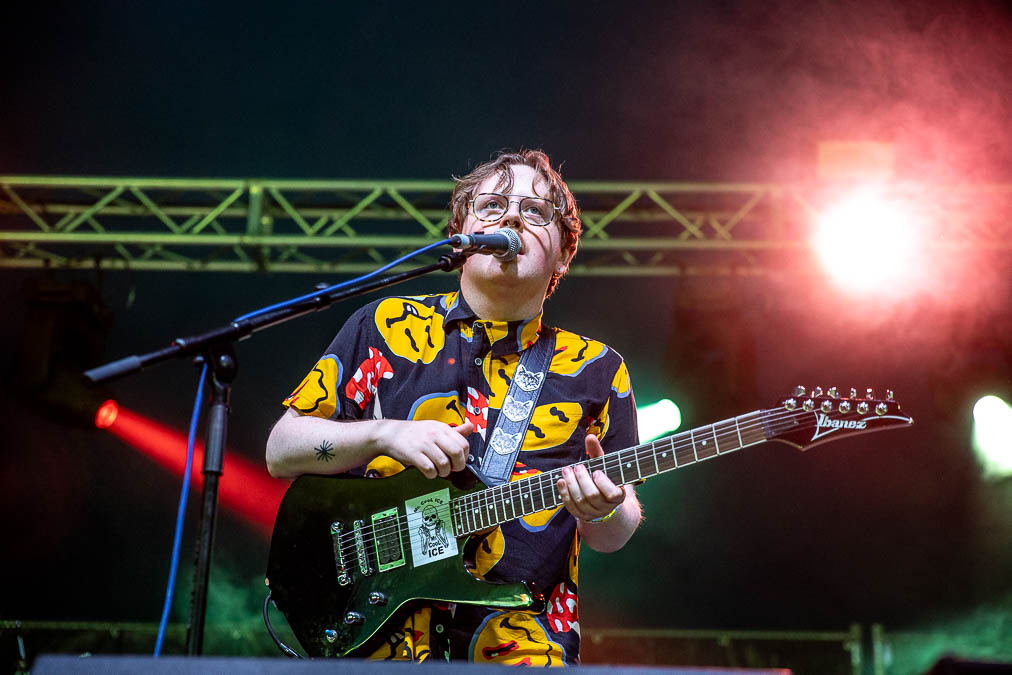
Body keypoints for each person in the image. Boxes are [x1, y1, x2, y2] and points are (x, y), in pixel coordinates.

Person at [266, 149, 641, 665]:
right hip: (376, 648)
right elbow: (281, 450)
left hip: (522, 651)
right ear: (460, 234)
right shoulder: (383, 325)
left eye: (535, 211)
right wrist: (385, 434)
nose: (511, 218)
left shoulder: (598, 369)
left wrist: (608, 506)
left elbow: (611, 535)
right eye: (492, 205)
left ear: (563, 255)